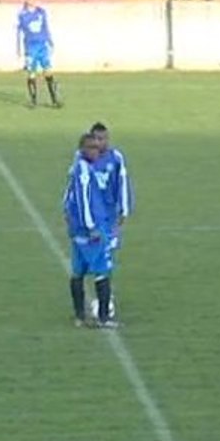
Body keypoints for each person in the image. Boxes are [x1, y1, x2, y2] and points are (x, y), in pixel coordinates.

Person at [64, 133, 117, 329]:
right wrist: (91, 227)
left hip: (77, 230)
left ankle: (79, 316)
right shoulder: (84, 170)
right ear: (83, 149)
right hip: (89, 230)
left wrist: (67, 214)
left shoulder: (75, 167)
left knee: (78, 272)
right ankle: (104, 318)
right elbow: (84, 200)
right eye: (92, 147)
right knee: (102, 270)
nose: (97, 151)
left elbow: (68, 196)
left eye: (97, 147)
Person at [88, 122, 133, 319]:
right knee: (92, 259)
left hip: (109, 218)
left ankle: (105, 299)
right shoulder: (85, 159)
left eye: (104, 138)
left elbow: (122, 184)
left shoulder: (116, 158)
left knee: (106, 258)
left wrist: (123, 213)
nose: (101, 142)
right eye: (97, 138)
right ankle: (102, 297)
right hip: (90, 219)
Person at [16, 0, 61, 108]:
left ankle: (54, 100)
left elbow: (46, 27)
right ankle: (33, 100)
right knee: (31, 73)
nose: (33, 1)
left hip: (42, 45)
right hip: (31, 47)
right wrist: (19, 48)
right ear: (26, 0)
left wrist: (50, 41)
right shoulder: (22, 15)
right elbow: (19, 32)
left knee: (48, 71)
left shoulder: (41, 12)